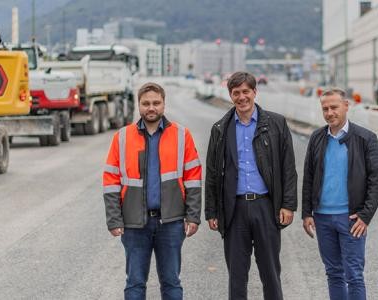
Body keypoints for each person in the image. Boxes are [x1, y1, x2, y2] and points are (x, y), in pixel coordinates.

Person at [102, 82, 202, 300]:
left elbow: (193, 178)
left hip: (171, 222)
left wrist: (193, 216)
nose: (151, 108)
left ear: (164, 104)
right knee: (135, 284)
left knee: (171, 283)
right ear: (139, 105)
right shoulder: (122, 137)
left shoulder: (182, 135)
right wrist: (114, 219)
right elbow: (110, 181)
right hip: (134, 223)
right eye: (146, 103)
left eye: (156, 103)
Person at [205, 71, 298, 300]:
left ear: (255, 92)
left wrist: (288, 205)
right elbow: (213, 174)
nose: (241, 97)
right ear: (230, 95)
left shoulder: (276, 123)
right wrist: (212, 211)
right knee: (237, 276)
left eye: (246, 91)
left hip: (266, 206)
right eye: (236, 93)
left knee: (270, 273)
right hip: (234, 210)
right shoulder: (220, 129)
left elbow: (288, 167)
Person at [301, 88, 378, 300]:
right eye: (325, 108)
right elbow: (309, 177)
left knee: (354, 275)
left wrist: (365, 216)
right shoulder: (317, 138)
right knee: (333, 274)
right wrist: (306, 213)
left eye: (334, 107)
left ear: (346, 106)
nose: (329, 112)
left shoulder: (366, 138)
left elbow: (377, 179)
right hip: (322, 217)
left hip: (351, 218)